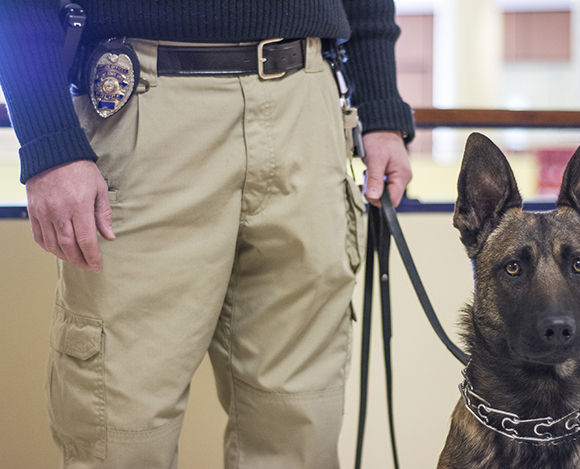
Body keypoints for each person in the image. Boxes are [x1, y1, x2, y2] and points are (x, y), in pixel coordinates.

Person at [0, 1, 414, 468]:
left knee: (300, 430)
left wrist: (380, 111)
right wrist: (47, 140)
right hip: (143, 103)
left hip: (308, 101)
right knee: (121, 432)